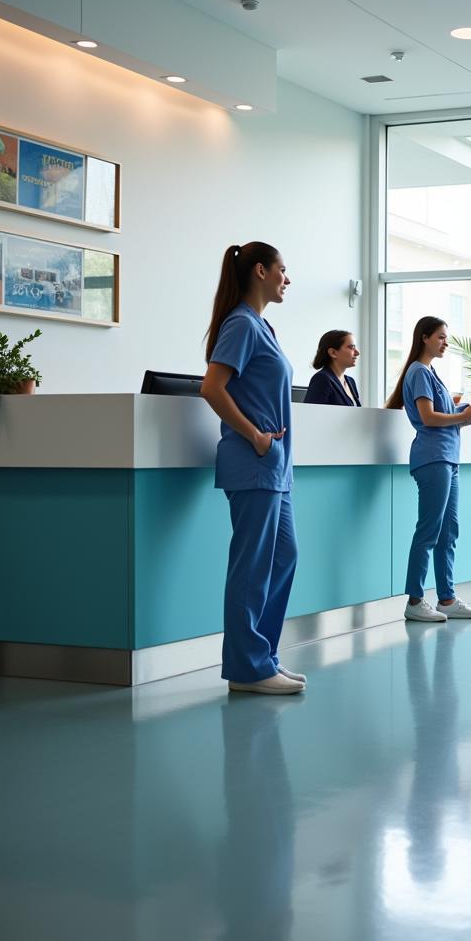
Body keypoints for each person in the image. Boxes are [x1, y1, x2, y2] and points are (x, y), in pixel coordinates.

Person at [200, 241, 305, 695]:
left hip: (273, 468)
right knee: (253, 566)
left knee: (283, 556)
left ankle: (261, 657)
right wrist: (255, 435)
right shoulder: (241, 324)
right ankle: (247, 667)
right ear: (260, 271)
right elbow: (212, 388)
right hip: (254, 462)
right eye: (282, 270)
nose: (287, 279)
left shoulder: (264, 326)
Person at [386, 316, 471, 623]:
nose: (446, 342)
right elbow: (428, 418)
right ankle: (415, 600)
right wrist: (462, 417)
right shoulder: (418, 371)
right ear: (425, 338)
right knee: (429, 530)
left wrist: (466, 413)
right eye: (441, 337)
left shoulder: (430, 372)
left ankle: (447, 598)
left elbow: (442, 413)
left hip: (448, 459)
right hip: (433, 459)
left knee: (448, 531)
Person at [304, 329, 362, 406]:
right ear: (333, 353)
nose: (357, 353)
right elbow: (312, 414)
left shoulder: (350, 381)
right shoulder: (322, 379)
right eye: (351, 347)